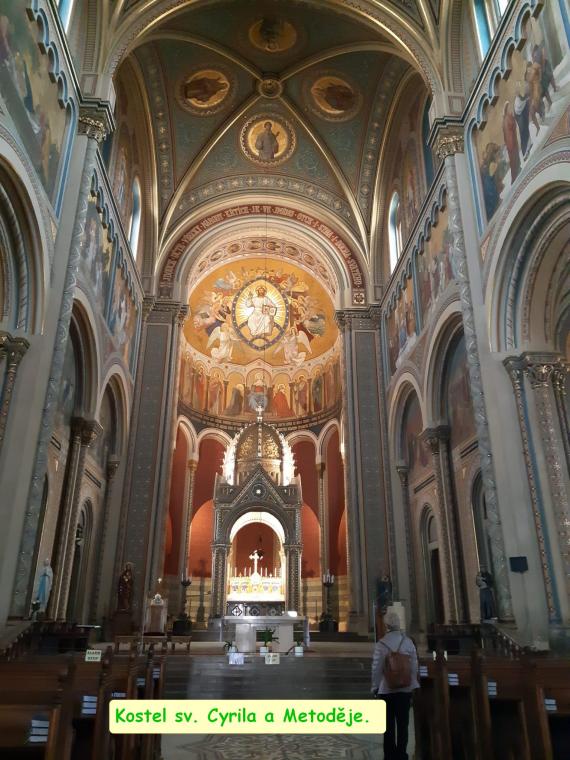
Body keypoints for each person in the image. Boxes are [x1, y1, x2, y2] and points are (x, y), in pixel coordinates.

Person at [371, 610, 419, 760]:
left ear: (386, 625)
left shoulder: (381, 644)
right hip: (405, 689)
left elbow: (377, 668)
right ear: (399, 624)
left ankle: (389, 755)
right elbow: (414, 665)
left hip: (387, 690)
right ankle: (402, 754)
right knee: (403, 725)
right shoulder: (408, 642)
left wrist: (375, 686)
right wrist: (412, 683)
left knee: (388, 726)